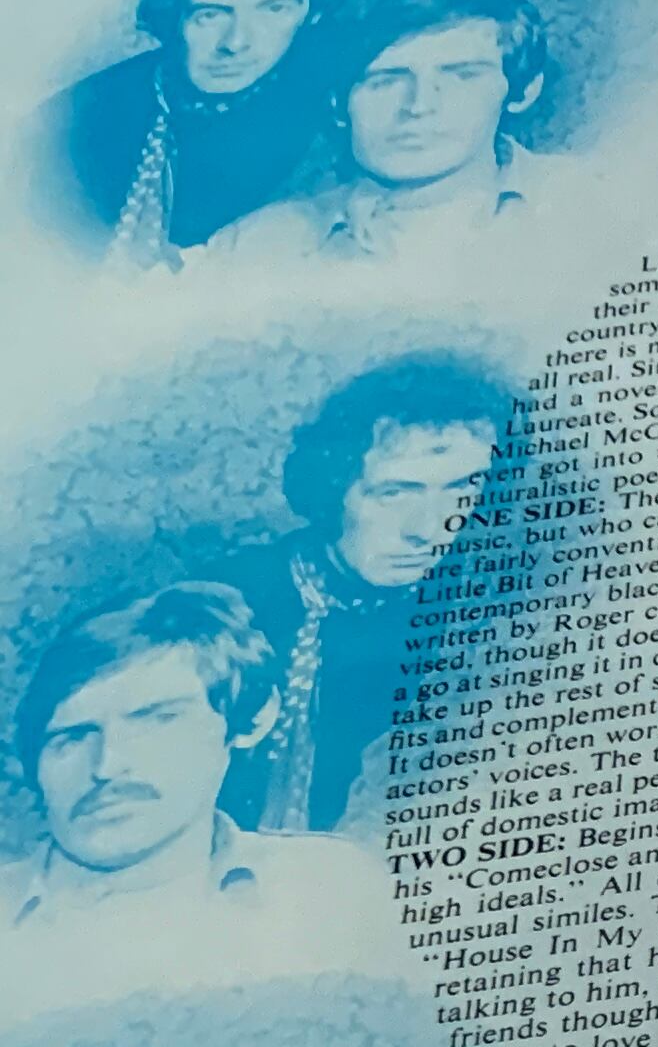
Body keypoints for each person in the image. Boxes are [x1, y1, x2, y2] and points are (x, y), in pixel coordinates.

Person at [6, 584, 407, 1007]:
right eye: (72, 737)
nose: (106, 766)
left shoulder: (333, 890)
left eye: (156, 720)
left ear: (254, 720)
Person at [211, 357, 517, 836]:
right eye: (394, 493)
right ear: (332, 489)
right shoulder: (233, 602)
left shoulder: (484, 616)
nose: (430, 530)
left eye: (463, 488)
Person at [33, 0, 362, 264]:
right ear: (172, 14)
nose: (236, 42)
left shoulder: (350, 99)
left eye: (275, 9)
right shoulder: (76, 119)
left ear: (312, 11)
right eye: (210, 14)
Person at [202, 0, 573, 271]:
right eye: (384, 81)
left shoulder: (589, 207)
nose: (418, 106)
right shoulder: (252, 249)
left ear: (523, 91)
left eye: (461, 76)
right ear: (338, 105)